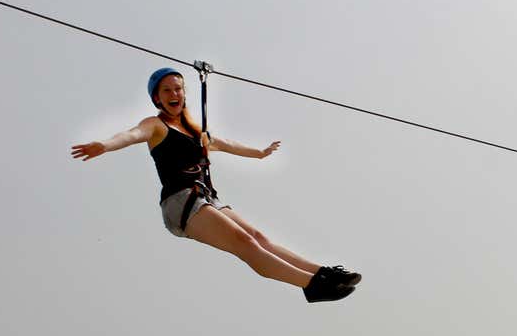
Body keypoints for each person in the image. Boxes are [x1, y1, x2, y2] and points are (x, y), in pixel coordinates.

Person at [70, 67, 360, 303]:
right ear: (157, 99)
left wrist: (259, 153)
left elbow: (227, 144)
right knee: (245, 243)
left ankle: (323, 273)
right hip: (179, 203)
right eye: (167, 90)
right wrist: (104, 145)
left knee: (257, 236)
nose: (174, 94)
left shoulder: (197, 132)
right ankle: (312, 285)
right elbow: (131, 135)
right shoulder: (156, 125)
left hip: (206, 198)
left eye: (178, 88)